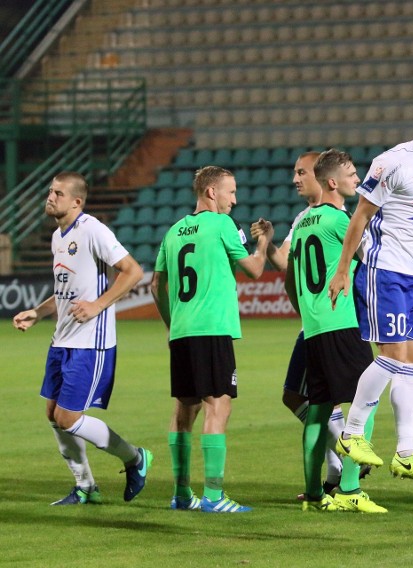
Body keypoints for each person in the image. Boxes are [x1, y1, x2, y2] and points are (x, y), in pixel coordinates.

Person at [328, 86, 413, 486]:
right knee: (390, 356)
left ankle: (406, 452)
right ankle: (352, 433)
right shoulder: (392, 162)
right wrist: (341, 271)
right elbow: (360, 218)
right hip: (383, 271)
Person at [12, 171, 150, 506]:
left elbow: (132, 271)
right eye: (49, 190)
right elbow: (65, 292)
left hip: (91, 341)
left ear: (77, 201)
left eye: (58, 193)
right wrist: (38, 312)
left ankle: (135, 458)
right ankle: (86, 486)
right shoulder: (59, 236)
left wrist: (98, 305)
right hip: (62, 340)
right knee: (52, 415)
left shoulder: (93, 230)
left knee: (67, 418)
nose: (50, 197)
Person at [151, 166, 270, 513]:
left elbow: (156, 285)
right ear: (210, 192)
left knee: (184, 408)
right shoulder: (221, 226)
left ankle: (182, 494)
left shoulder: (173, 232)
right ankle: (215, 496)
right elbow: (255, 269)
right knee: (219, 404)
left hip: (183, 331)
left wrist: (171, 324)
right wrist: (263, 243)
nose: (234, 200)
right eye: (230, 192)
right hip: (212, 329)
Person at [283, 149, 386, 513]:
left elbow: (290, 280)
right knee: (366, 402)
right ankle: (350, 489)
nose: (357, 179)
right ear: (332, 182)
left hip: (312, 329)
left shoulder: (303, 224)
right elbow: (374, 259)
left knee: (319, 411)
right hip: (341, 323)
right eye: (351, 174)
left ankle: (313, 494)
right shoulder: (340, 221)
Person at [252, 152, 348, 498]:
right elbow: (285, 262)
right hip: (314, 319)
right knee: (304, 397)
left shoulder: (335, 217)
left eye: (301, 171)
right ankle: (339, 463)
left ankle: (348, 458)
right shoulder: (305, 218)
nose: (295, 178)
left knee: (310, 397)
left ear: (321, 176)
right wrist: (268, 242)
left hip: (328, 320)